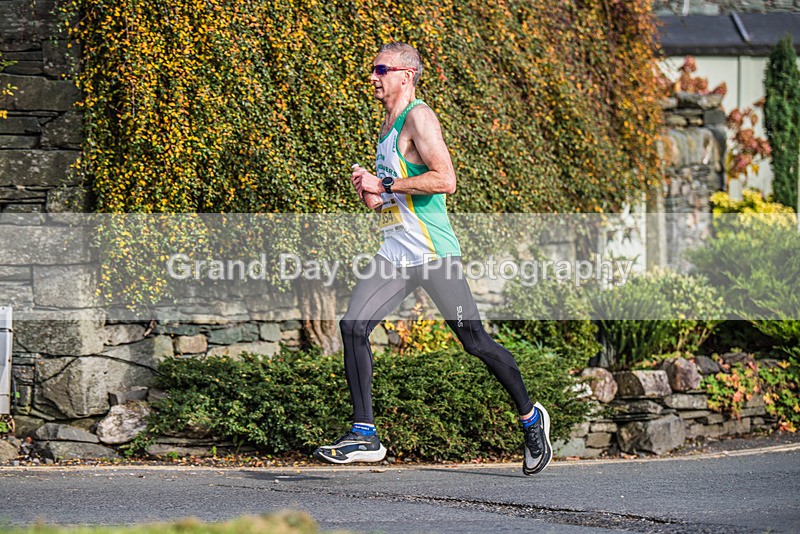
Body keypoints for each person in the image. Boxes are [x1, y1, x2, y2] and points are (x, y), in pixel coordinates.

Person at [312, 42, 552, 475]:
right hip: (398, 250)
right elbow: (398, 194)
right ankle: (365, 433)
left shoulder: (419, 117)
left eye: (380, 69)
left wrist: (384, 179)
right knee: (352, 326)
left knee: (474, 341)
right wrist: (375, 194)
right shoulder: (386, 125)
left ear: (405, 74)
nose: (373, 77)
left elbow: (446, 180)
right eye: (372, 69)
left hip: (433, 253)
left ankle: (531, 419)